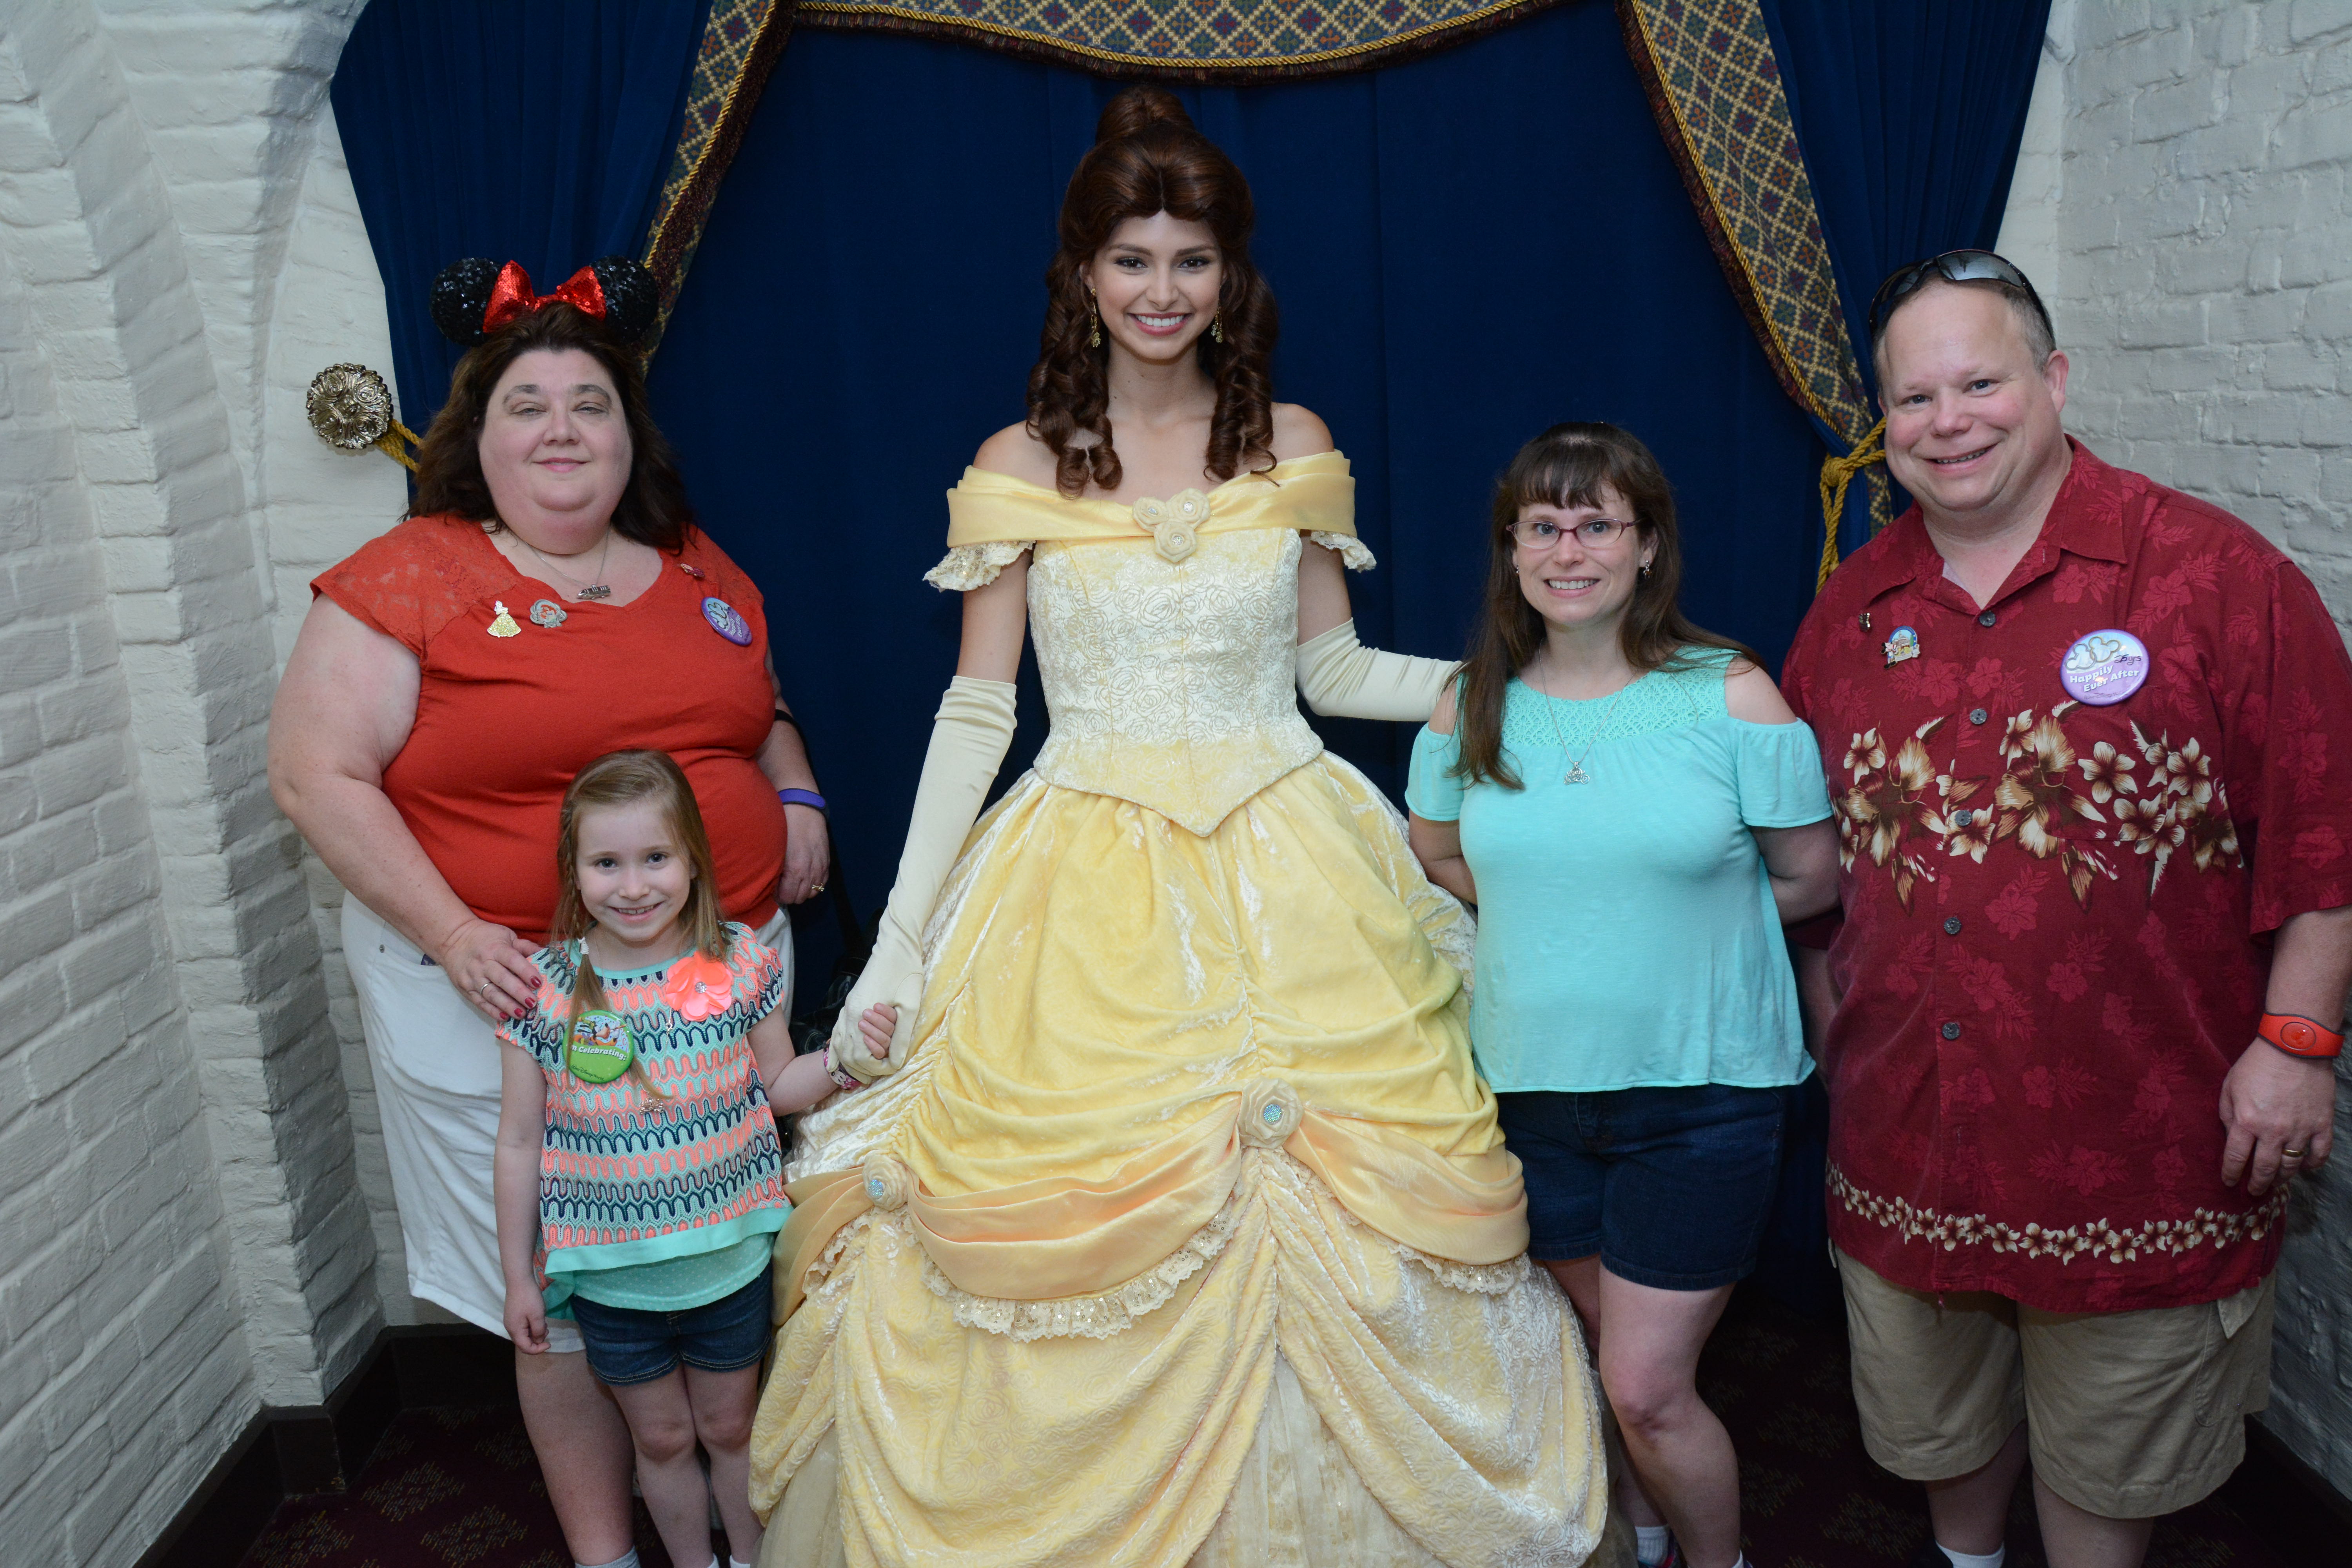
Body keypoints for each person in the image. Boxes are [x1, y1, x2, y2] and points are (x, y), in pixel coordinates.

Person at [745, 89, 1610, 1568]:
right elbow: (978, 712)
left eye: (1192, 261)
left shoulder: (1293, 442)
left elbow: (1332, 671)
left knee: (1355, 1199)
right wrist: (896, 949)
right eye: (1133, 260)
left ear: (1232, 276)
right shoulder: (1018, 464)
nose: (1163, 291)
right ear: (1084, 276)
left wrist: (1532, 686)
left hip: (1295, 849)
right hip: (1081, 870)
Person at [1780, 249, 2352, 1568]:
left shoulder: (2214, 576)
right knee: (1942, 1439)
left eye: (1980, 383)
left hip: (2143, 1145)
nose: (1949, 422)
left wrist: (2299, 1044)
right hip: (1910, 1142)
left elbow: (2324, 831)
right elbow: (1810, 865)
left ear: (2054, 379)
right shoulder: (1850, 614)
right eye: (1914, 399)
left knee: (2112, 1461)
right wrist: (1831, 1031)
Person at [268, 260, 832, 1568]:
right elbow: (314, 774)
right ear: (478, 437)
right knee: (573, 1295)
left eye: (592, 403)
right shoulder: (410, 573)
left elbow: (756, 709)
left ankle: (743, 1536)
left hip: (714, 994)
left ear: (631, 436)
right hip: (512, 997)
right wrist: (459, 934)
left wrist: (797, 792)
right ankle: (606, 1554)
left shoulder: (694, 562)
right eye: (528, 405)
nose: (563, 429)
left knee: (718, 1261)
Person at [1405, 423, 1839, 1568]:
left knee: (1648, 1386)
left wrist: (1665, 928)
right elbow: (1439, 855)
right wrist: (1568, 911)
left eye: (1598, 523)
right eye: (1543, 526)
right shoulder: (1469, 704)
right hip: (1530, 1094)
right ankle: (1642, 1538)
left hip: (1703, 1095)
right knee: (1604, 1361)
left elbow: (1809, 878)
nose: (1570, 549)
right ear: (1511, 549)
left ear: (1648, 546)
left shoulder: (1733, 695)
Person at [496, 751, 862, 1568]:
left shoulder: (736, 960)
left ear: (693, 859)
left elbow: (779, 1085)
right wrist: (519, 1275)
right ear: (573, 870)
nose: (633, 886)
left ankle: (754, 1559)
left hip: (729, 1261)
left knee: (732, 1427)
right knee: (660, 1439)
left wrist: (846, 1058)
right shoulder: (544, 988)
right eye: (606, 863)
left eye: (655, 857)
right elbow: (519, 1141)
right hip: (611, 1280)